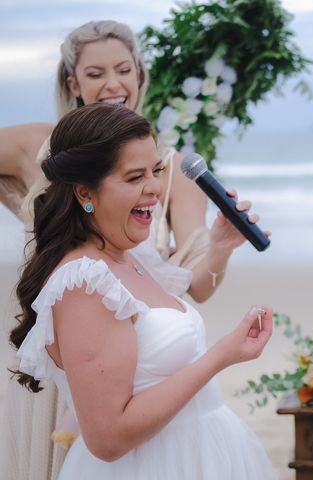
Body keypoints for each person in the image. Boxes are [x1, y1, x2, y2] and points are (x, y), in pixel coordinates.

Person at [0, 20, 263, 480]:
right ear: (73, 82)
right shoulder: (37, 152)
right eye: (133, 178)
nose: (152, 189)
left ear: (140, 75)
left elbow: (193, 285)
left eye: (154, 173)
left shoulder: (138, 260)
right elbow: (111, 439)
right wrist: (221, 354)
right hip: (84, 360)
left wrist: (220, 246)